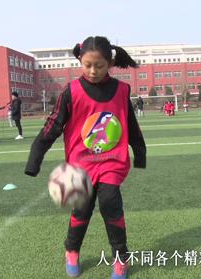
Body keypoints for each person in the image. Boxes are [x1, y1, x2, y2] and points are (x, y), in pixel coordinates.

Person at [25, 36, 146, 279]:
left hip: (112, 161)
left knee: (111, 203)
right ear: (80, 60)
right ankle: (72, 250)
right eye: (87, 65)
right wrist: (34, 158)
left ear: (109, 63)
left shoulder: (122, 90)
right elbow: (54, 125)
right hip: (81, 165)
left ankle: (121, 258)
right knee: (82, 210)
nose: (93, 71)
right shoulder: (71, 91)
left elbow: (130, 124)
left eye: (99, 66)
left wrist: (139, 152)